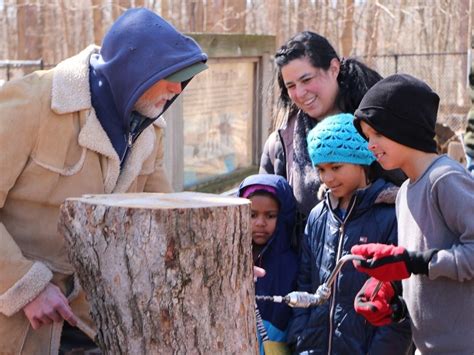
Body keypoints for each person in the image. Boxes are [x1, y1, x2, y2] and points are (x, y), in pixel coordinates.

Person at [0, 8, 208, 354]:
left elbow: (165, 220)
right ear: (135, 71)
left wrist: (212, 262)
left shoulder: (149, 132)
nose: (178, 89)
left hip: (93, 324)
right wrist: (26, 285)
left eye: (185, 77)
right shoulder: (31, 102)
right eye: (170, 75)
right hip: (17, 323)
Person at [351, 74, 474, 354]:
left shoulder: (444, 179)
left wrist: (414, 263)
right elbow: (427, 278)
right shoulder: (404, 192)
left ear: (404, 128)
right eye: (367, 136)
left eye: (377, 133)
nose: (370, 144)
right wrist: (394, 298)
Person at [259, 31, 403, 248]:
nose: (300, 92)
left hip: (379, 263)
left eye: (306, 79)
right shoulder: (282, 143)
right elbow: (266, 211)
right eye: (291, 86)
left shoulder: (381, 126)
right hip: (309, 273)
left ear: (334, 68)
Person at [287, 113, 412, 354]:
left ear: (362, 160)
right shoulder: (317, 216)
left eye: (336, 167)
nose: (327, 178)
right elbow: (305, 281)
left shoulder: (391, 215)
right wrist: (300, 339)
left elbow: (401, 296)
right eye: (321, 169)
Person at [238, 174, 298, 354]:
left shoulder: (292, 264)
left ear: (284, 216)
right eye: (252, 215)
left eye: (270, 216)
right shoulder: (232, 258)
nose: (260, 223)